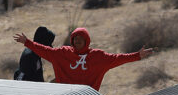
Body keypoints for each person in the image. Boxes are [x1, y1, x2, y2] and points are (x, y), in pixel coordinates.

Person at [12, 27, 153, 91]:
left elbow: (118, 58)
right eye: (75, 38)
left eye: (81, 38)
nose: (78, 41)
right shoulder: (62, 54)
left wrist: (137, 56)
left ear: (87, 40)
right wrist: (27, 42)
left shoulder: (98, 57)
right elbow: (44, 50)